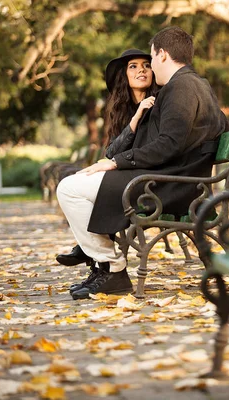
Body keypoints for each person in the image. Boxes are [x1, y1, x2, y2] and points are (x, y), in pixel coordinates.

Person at [56, 26, 229, 300]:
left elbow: (168, 145)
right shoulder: (196, 85)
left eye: (150, 59)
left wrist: (116, 163)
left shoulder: (180, 87)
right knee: (76, 184)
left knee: (69, 188)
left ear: (161, 55)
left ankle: (112, 268)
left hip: (170, 186)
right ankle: (102, 263)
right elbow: (219, 126)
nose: (148, 70)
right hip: (176, 179)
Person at [56, 49, 158, 273]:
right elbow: (112, 150)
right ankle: (91, 248)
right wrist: (135, 118)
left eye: (146, 65)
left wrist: (144, 112)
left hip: (146, 182)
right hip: (128, 174)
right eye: (133, 65)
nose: (141, 69)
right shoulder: (124, 110)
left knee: (76, 186)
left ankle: (96, 253)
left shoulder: (159, 105)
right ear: (125, 75)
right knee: (76, 179)